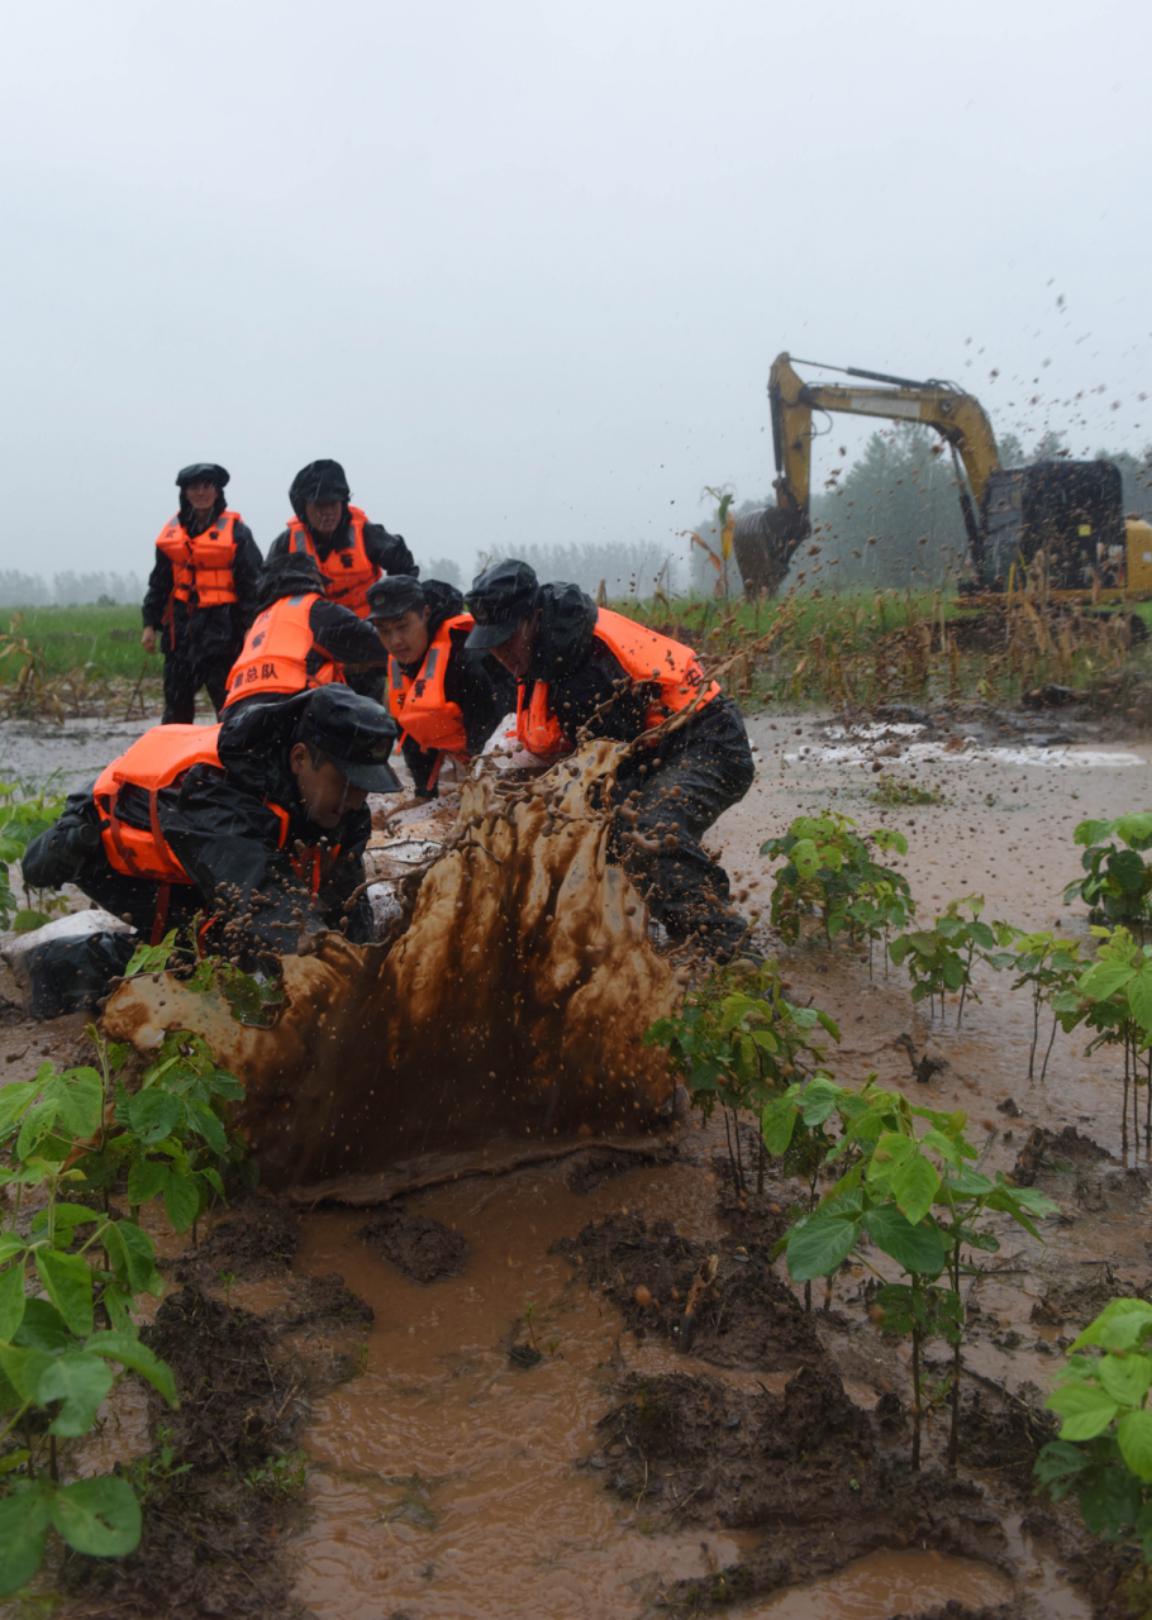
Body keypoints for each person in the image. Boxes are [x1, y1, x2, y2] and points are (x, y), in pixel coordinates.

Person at [465, 559, 756, 960]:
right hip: (661, 749)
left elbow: (613, 770)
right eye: (491, 642)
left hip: (711, 744)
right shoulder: (547, 645)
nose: (500, 653)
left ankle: (736, 958)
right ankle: (671, 943)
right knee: (608, 830)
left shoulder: (587, 667)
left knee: (645, 832)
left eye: (506, 638)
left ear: (533, 618)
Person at [22, 686, 401, 971]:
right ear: (300, 758)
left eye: (367, 786)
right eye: (347, 783)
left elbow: (347, 903)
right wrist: (332, 965)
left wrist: (367, 963)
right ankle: (51, 968)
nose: (357, 801)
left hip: (202, 854)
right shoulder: (218, 795)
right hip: (101, 845)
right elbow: (262, 901)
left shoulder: (346, 808)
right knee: (199, 957)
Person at [367, 575, 516, 798]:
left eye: (402, 626)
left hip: (504, 745)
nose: (395, 640)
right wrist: (424, 793)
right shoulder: (399, 664)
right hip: (461, 750)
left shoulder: (465, 657)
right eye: (384, 631)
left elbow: (494, 733)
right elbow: (412, 733)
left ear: (425, 614)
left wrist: (483, 792)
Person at [142, 463, 263, 723]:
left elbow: (251, 585)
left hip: (223, 634)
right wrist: (149, 624)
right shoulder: (171, 535)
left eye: (207, 486)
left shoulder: (238, 533)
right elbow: (159, 583)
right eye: (194, 487)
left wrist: (249, 628)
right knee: (176, 710)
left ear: (217, 491)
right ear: (185, 493)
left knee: (230, 707)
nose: (201, 493)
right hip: (181, 637)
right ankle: (176, 759)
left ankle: (231, 758)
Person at [223, 553, 388, 711]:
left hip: (237, 714)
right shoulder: (317, 610)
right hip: (288, 712)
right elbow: (384, 646)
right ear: (312, 577)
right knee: (370, 675)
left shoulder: (261, 620)